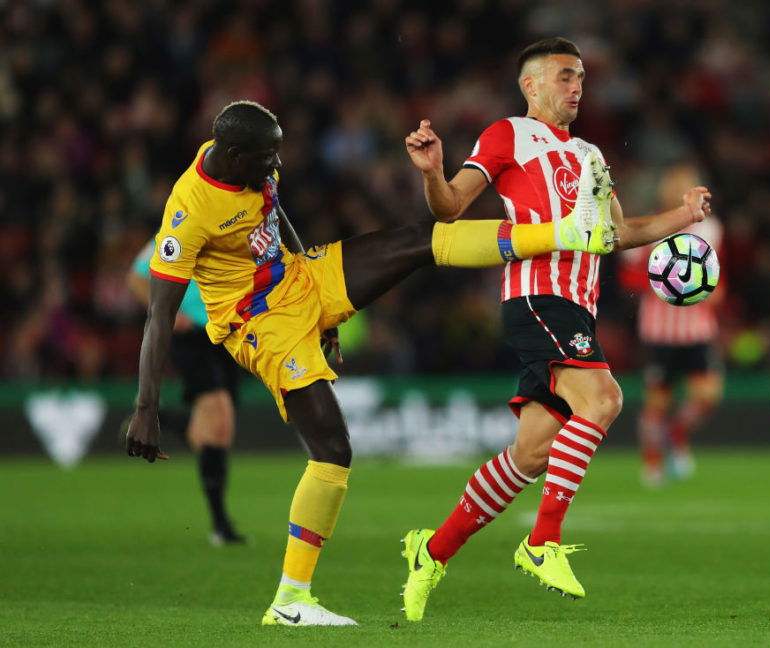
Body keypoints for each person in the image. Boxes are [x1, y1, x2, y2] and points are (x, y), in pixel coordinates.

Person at [125, 100, 615, 627]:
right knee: (333, 449)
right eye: (266, 158)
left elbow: (274, 211)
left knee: (419, 239)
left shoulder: (251, 163)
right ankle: (291, 600)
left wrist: (324, 307)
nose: (275, 166)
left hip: (300, 279)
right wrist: (145, 407)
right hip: (258, 321)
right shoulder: (190, 208)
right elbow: (158, 316)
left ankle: (567, 233)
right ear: (235, 153)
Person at [400, 37, 713, 621]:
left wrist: (683, 217)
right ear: (531, 85)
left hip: (579, 305)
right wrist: (433, 174)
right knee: (605, 398)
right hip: (537, 296)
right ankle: (541, 542)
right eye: (566, 76)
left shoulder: (593, 155)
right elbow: (450, 209)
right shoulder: (507, 135)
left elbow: (616, 234)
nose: (577, 88)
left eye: (582, 79)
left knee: (532, 452)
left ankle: (432, 550)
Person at [128, 239, 246, 545]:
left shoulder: (232, 222)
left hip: (228, 332)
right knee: (219, 416)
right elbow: (136, 277)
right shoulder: (174, 230)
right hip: (190, 334)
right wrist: (166, 311)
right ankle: (221, 525)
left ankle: (169, 421)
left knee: (216, 431)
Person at [618, 163, 725, 487]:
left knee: (708, 394)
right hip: (660, 330)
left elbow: (720, 273)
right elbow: (628, 277)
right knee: (657, 401)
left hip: (697, 328)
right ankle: (652, 462)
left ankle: (676, 433)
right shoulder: (650, 227)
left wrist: (718, 291)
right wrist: (666, 281)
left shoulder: (711, 229)